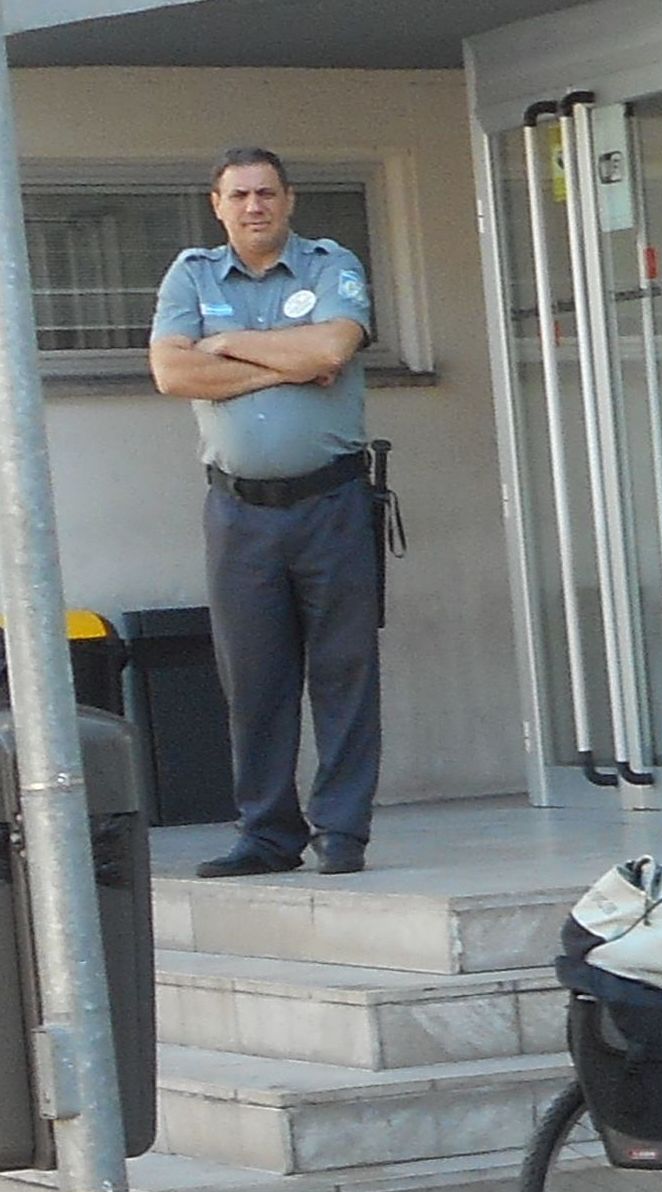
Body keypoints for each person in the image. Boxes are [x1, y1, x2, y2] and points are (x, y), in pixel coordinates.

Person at [149, 147, 379, 879]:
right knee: (253, 679)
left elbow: (333, 350)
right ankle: (267, 835)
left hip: (333, 503)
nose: (255, 206)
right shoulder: (192, 274)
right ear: (217, 205)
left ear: (289, 199)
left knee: (344, 671)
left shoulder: (329, 265)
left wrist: (230, 347)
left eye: (267, 193)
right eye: (240, 195)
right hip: (239, 514)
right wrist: (287, 360)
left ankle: (341, 830)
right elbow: (172, 372)